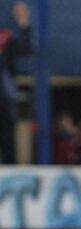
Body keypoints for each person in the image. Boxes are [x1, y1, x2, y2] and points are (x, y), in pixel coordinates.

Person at [0, 1, 31, 164]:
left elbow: (25, 48)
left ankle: (9, 170)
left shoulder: (5, 37)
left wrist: (24, 22)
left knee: (7, 138)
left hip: (4, 99)